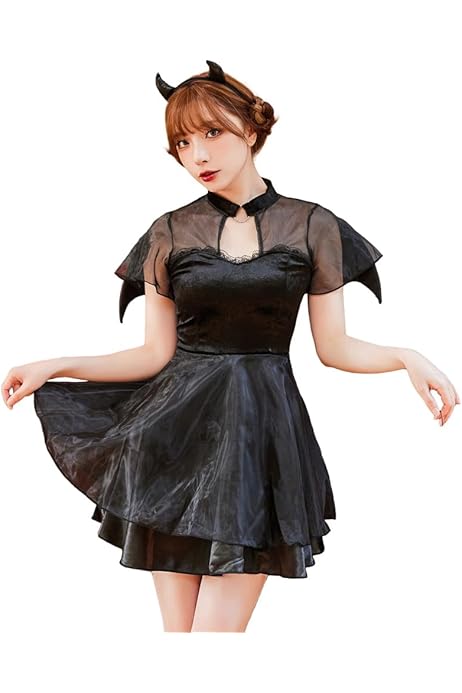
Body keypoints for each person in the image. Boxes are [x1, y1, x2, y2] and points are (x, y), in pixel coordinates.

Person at [2, 60, 459, 633]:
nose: (197, 155)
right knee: (180, 640)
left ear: (251, 127)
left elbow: (334, 347)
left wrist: (408, 358)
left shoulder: (312, 225)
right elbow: (152, 355)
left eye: (212, 133)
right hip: (170, 439)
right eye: (182, 143)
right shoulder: (169, 230)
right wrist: (56, 365)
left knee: (214, 639)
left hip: (258, 440)